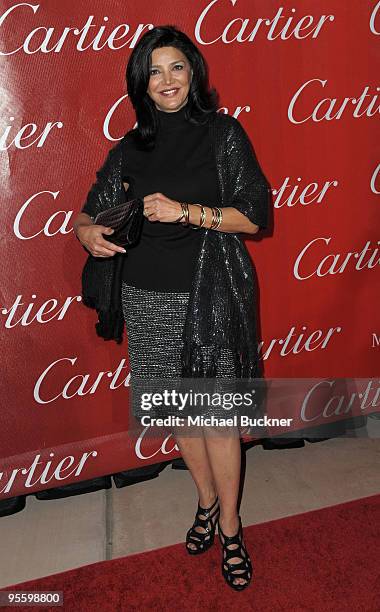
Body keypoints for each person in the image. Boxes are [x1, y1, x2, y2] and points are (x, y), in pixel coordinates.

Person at [73, 25, 270, 591]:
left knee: (218, 420)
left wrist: (186, 211)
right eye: (154, 71)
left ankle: (230, 528)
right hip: (146, 299)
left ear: (194, 73)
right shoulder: (131, 148)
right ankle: (205, 501)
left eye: (177, 67)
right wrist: (88, 234)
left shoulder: (223, 134)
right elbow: (90, 214)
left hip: (210, 297)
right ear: (141, 83)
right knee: (183, 417)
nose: (167, 80)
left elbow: (254, 217)